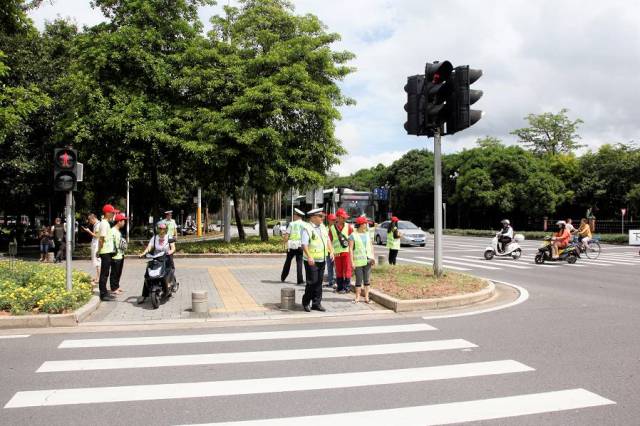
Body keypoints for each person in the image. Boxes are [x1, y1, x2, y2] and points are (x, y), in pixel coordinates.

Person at [301, 208, 334, 312]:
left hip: (322, 259)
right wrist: (309, 256)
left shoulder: (323, 227)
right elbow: (304, 244)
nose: (322, 218)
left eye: (322, 216)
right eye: (320, 216)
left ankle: (316, 303)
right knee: (312, 282)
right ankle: (306, 302)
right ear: (313, 217)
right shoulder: (307, 228)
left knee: (319, 283)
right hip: (311, 260)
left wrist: (331, 250)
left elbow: (327, 239)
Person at [138, 222, 176, 304]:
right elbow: (149, 247)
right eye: (160, 228)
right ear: (157, 229)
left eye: (163, 229)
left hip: (166, 257)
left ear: (166, 229)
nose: (161, 230)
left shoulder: (169, 237)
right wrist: (143, 253)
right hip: (156, 257)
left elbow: (173, 248)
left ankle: (171, 284)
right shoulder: (154, 238)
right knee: (147, 274)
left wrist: (170, 251)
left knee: (169, 270)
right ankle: (144, 295)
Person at [349, 216, 375, 303]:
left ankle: (367, 298)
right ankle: (357, 297)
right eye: (365, 223)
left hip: (368, 260)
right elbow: (350, 249)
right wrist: (352, 262)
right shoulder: (353, 235)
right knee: (359, 280)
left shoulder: (367, 234)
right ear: (360, 224)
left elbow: (371, 246)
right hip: (358, 261)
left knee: (367, 280)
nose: (366, 225)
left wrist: (373, 257)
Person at [329, 208, 353, 294]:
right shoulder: (332, 228)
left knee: (347, 269)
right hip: (337, 253)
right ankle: (340, 287)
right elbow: (329, 241)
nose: (345, 219)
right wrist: (331, 251)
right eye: (343, 217)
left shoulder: (349, 227)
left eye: (345, 217)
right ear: (338, 218)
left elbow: (352, 239)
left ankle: (346, 287)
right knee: (338, 270)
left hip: (346, 252)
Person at [280, 208, 306, 285]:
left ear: (297, 216)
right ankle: (300, 280)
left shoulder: (291, 224)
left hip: (291, 246)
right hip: (300, 246)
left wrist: (283, 242)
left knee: (288, 261)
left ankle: (283, 277)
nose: (293, 216)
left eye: (294, 215)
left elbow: (287, 235)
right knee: (299, 263)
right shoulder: (305, 224)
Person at [98, 204, 117, 301]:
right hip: (105, 252)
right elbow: (101, 239)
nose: (113, 214)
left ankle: (104, 291)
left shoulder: (106, 223)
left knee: (106, 273)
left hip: (107, 251)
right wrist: (99, 251)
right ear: (107, 213)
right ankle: (103, 293)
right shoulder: (104, 224)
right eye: (112, 213)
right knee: (104, 273)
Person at [109, 213, 127, 295]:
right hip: (115, 255)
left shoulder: (118, 231)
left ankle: (117, 286)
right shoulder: (113, 231)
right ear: (119, 221)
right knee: (114, 273)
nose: (124, 223)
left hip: (120, 254)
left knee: (118, 272)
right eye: (123, 221)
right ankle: (113, 288)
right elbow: (113, 243)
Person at [82, 213, 101, 284]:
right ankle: (97, 276)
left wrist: (88, 231)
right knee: (96, 261)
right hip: (95, 244)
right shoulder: (96, 224)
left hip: (96, 244)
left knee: (97, 261)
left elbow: (97, 235)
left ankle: (99, 277)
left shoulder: (98, 225)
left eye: (90, 221)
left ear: (93, 218)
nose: (90, 222)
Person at [325, 213, 337, 289]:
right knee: (329, 267)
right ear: (329, 220)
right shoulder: (325, 229)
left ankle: (336, 282)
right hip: (328, 251)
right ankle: (330, 282)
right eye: (332, 220)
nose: (334, 221)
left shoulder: (336, 228)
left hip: (336, 250)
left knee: (336, 267)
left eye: (334, 220)